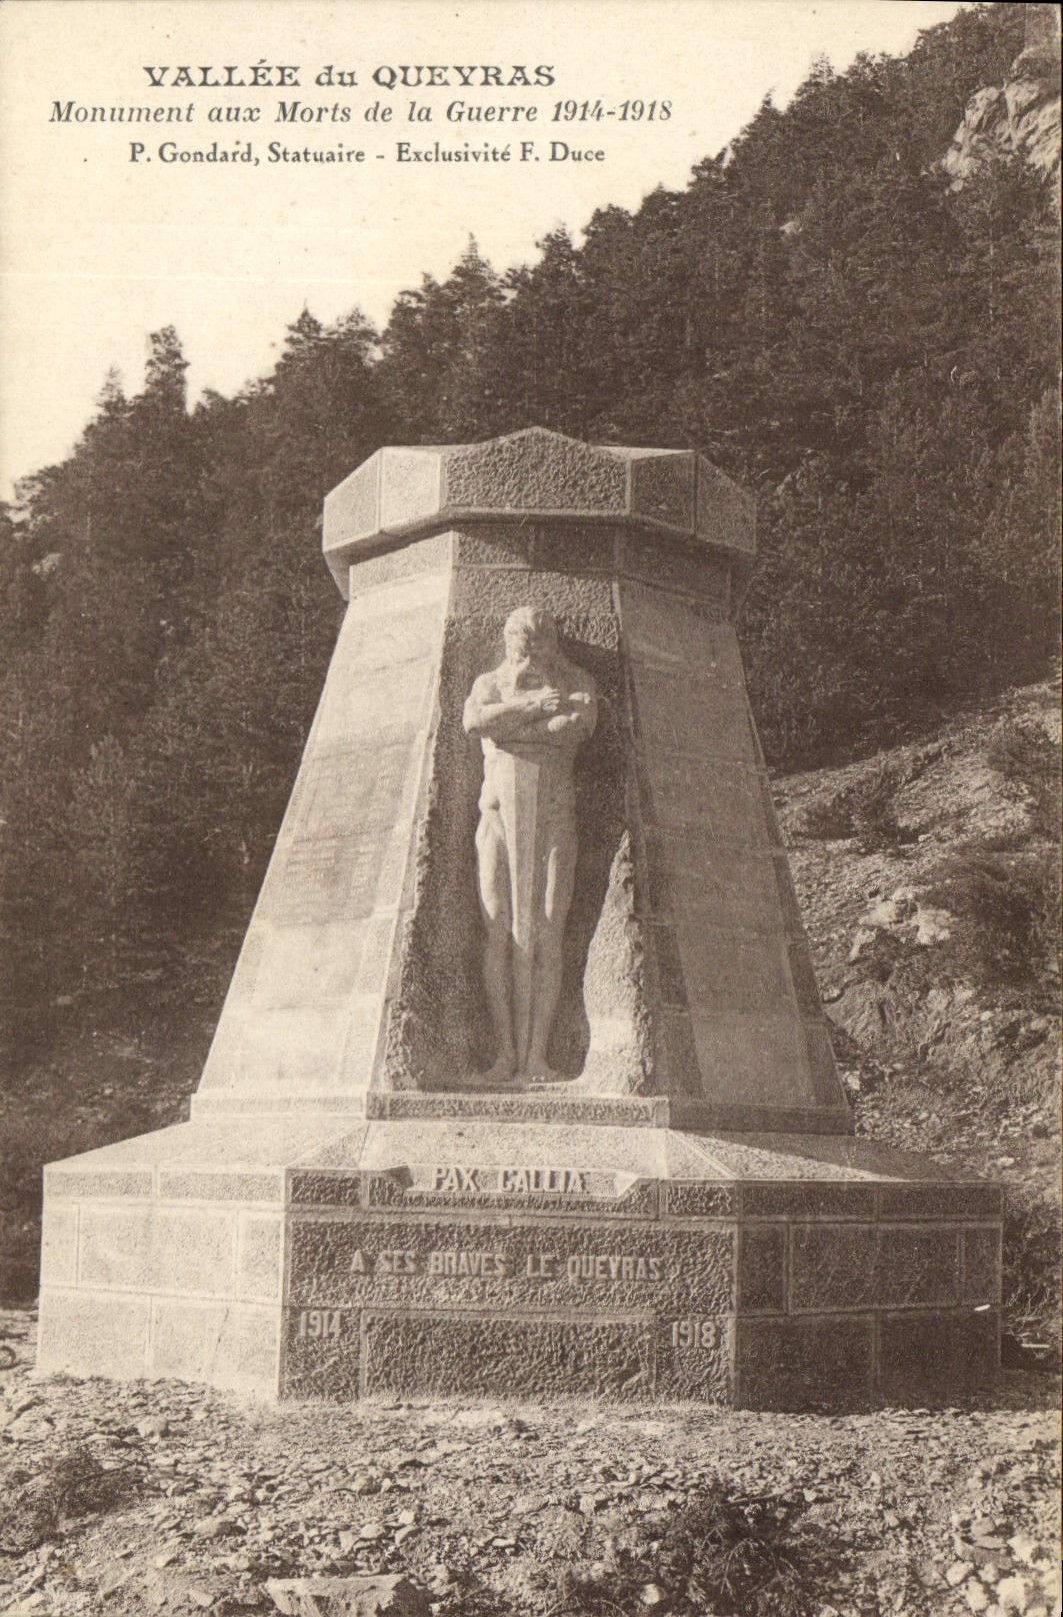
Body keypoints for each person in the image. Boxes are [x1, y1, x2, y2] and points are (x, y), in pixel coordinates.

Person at [462, 607, 597, 1083]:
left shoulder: (575, 681)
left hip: (554, 818)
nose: (532, 650)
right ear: (508, 642)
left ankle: (536, 1056)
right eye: (523, 643)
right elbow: (476, 724)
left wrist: (514, 728)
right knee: (498, 926)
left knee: (545, 927)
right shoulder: (488, 683)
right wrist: (531, 707)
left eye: (540, 642)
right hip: (497, 818)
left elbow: (574, 728)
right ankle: (505, 1056)